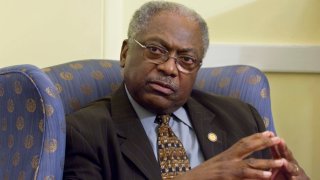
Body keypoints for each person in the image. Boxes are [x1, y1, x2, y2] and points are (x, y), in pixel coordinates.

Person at [63, 1, 309, 179]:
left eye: (186, 60)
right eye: (156, 50)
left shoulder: (241, 117)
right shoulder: (85, 131)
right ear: (125, 53)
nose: (170, 68)